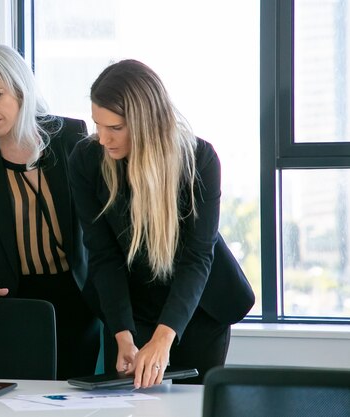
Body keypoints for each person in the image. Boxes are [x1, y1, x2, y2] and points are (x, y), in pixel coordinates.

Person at [68, 59, 255, 388]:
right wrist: (123, 336)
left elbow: (198, 256)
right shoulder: (86, 161)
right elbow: (102, 254)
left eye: (115, 128)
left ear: (145, 124)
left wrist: (163, 338)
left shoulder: (199, 160)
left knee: (193, 405)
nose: (103, 139)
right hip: (127, 305)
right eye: (99, 125)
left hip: (197, 308)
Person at [0, 44, 100, 380]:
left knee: (75, 397)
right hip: (14, 301)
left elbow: (100, 222)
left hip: (78, 295)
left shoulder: (71, 137)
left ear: (21, 89)